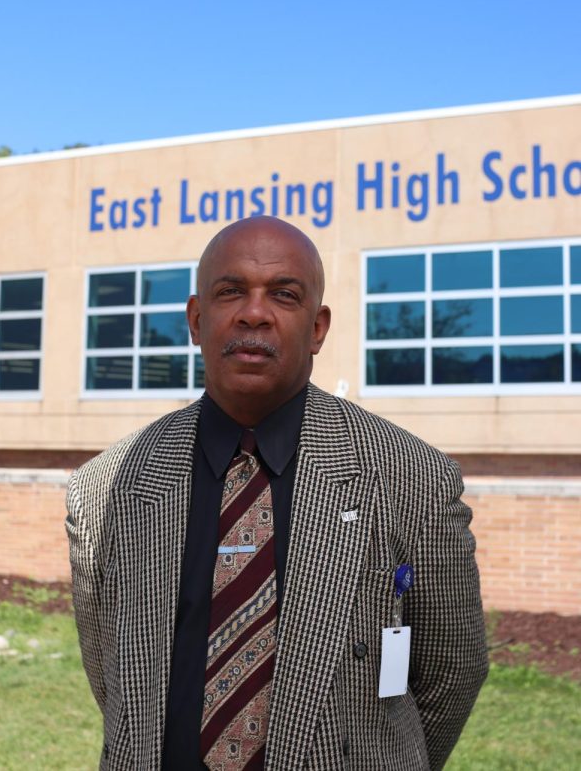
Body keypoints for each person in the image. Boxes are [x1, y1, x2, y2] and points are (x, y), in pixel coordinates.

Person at [66, 216, 488, 771]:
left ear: (318, 327)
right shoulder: (104, 490)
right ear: (196, 319)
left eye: (284, 295)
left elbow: (451, 671)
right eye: (230, 291)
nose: (254, 313)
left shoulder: (413, 478)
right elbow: (117, 686)